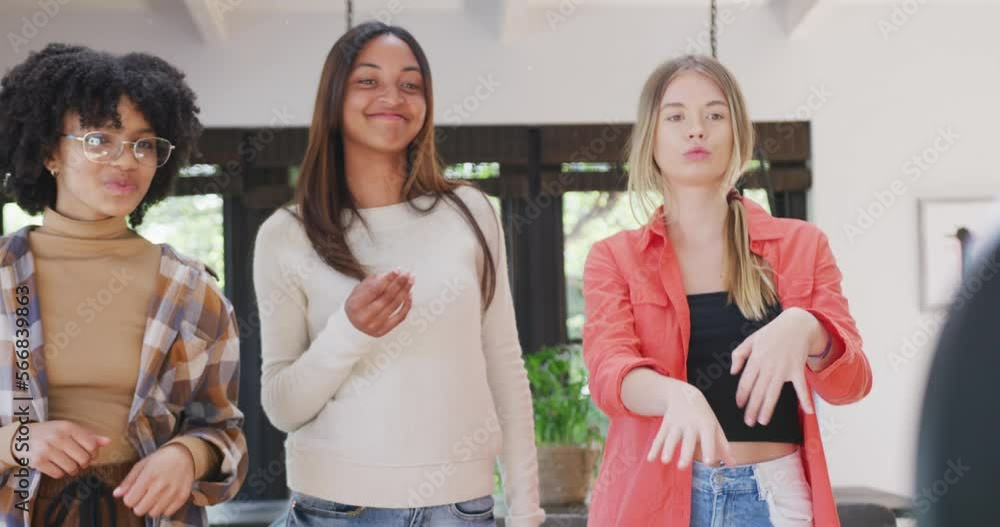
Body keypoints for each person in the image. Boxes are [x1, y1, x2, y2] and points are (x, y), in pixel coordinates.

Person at [254, 22, 544, 527]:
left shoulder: (471, 211)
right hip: (335, 509)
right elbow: (282, 407)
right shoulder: (286, 233)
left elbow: (504, 365)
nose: (393, 97)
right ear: (333, 99)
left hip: (459, 509)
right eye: (368, 80)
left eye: (411, 84)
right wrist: (349, 332)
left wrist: (526, 512)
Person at [581, 54, 873, 526]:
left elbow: (852, 384)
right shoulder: (614, 258)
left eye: (714, 115)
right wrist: (675, 396)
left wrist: (808, 328)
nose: (697, 130)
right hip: (654, 505)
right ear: (650, 137)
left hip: (775, 501)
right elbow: (608, 373)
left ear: (738, 132)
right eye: (676, 117)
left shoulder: (802, 245)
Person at [0, 43, 248, 526]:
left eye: (144, 144)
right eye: (99, 139)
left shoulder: (192, 291)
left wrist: (188, 456)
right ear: (49, 152)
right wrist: (16, 441)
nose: (126, 160)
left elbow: (226, 433)